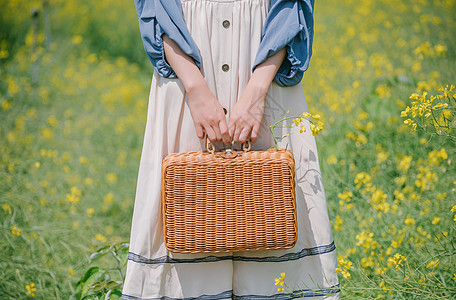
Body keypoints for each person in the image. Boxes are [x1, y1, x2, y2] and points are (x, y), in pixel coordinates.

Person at [122, 0, 340, 299]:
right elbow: (157, 8)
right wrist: (196, 90)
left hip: (265, 65)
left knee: (274, 214)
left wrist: (256, 92)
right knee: (188, 218)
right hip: (186, 72)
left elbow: (292, 8)